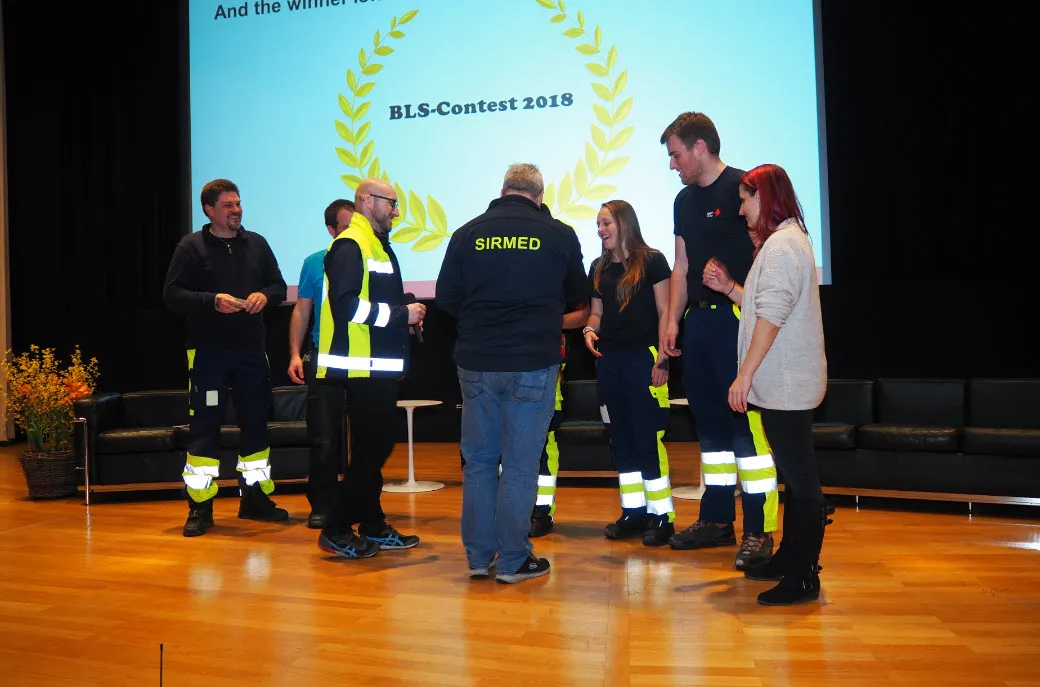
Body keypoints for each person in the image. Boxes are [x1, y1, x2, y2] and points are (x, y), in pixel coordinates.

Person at [436, 163, 586, 583]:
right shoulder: (558, 234)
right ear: (539, 195)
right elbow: (578, 296)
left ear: (503, 190)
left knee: (480, 463)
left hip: (477, 361)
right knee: (520, 465)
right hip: (533, 362)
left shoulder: (466, 233)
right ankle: (514, 560)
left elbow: (446, 298)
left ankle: (479, 559)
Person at [701, 163, 828, 606]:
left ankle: (803, 575)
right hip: (786, 385)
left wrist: (743, 375)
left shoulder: (782, 247)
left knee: (802, 482)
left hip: (787, 385)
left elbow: (771, 318)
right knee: (794, 481)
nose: (740, 210)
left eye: (744, 199)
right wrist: (729, 287)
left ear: (766, 197)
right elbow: (762, 307)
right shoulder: (785, 243)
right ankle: (791, 559)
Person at [658, 112, 779, 570]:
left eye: (675, 154)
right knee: (709, 427)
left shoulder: (742, 189)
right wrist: (672, 320)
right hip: (699, 324)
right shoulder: (683, 202)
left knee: (745, 428)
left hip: (738, 318)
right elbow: (681, 267)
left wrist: (737, 290)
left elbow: (767, 256)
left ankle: (759, 529)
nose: (673, 164)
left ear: (700, 147)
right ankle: (716, 521)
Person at [163, 178, 289, 537]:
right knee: (204, 429)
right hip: (208, 355)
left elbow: (278, 286)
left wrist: (266, 297)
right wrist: (211, 300)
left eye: (238, 203)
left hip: (251, 353)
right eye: (228, 205)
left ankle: (255, 500)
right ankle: (200, 508)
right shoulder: (191, 247)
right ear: (209, 210)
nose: (236, 210)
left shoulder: (257, 244)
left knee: (256, 425)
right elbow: (172, 295)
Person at [314, 178, 426, 559]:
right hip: (362, 369)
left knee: (371, 449)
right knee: (373, 450)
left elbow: (372, 300)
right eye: (391, 203)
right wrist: (401, 314)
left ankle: (373, 524)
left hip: (378, 368)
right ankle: (337, 528)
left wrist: (405, 312)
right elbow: (346, 306)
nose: (396, 210)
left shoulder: (375, 244)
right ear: (366, 200)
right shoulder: (350, 244)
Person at [582, 200, 675, 547]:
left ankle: (661, 516)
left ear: (624, 223)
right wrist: (589, 331)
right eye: (598, 224)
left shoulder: (653, 260)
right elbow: (596, 315)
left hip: (644, 358)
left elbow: (667, 311)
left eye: (606, 222)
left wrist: (663, 358)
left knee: (647, 439)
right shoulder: (598, 267)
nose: (601, 229)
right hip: (610, 364)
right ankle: (633, 513)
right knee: (620, 442)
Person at [287, 199, 355, 529]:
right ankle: (323, 505)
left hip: (364, 362)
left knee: (369, 436)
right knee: (324, 436)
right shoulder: (314, 263)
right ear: (331, 230)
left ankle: (360, 502)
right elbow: (301, 310)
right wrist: (295, 354)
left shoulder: (369, 257)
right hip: (324, 360)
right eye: (345, 227)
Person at [529, 301, 589, 538]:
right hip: (508, 392)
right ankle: (511, 510)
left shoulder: (555, 282)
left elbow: (587, 312)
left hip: (545, 395)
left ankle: (542, 512)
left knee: (544, 454)